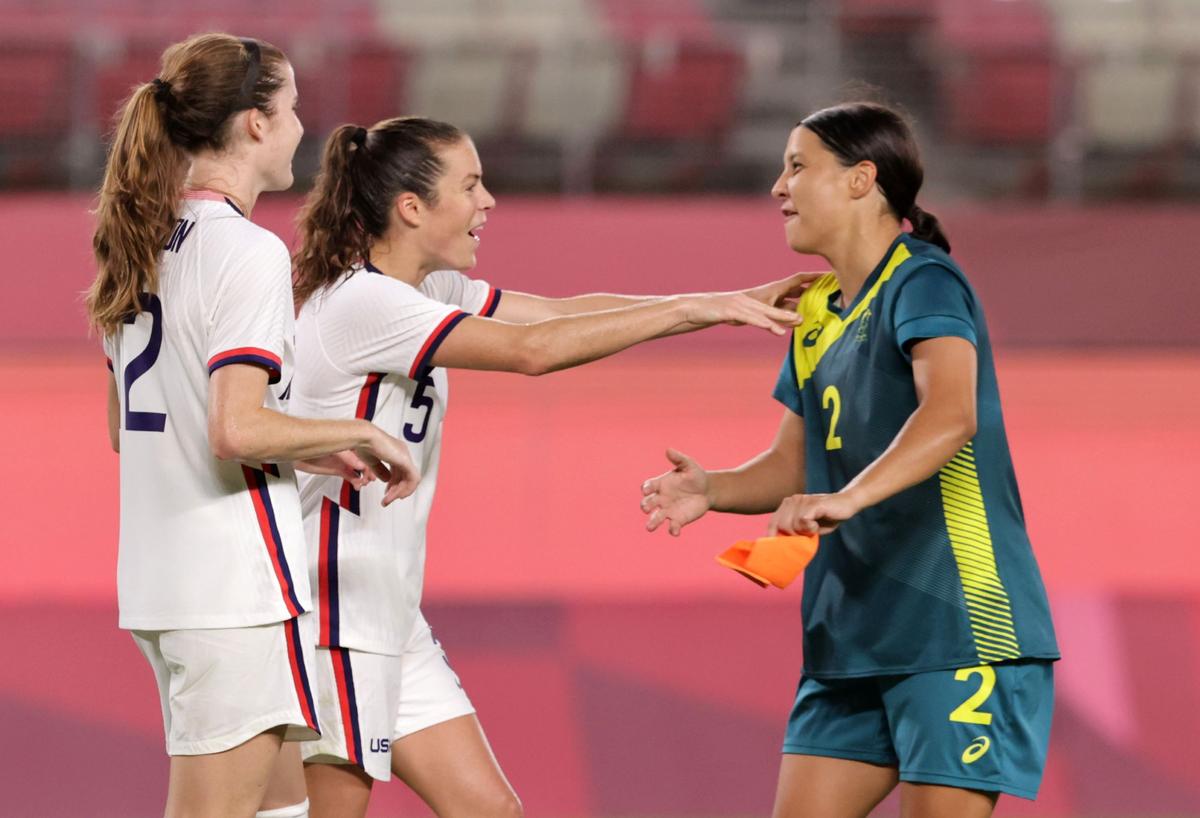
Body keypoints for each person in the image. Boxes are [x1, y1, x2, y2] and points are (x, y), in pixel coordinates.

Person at [284, 116, 811, 818]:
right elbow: (533, 354)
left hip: (386, 610)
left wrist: (722, 304)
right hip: (336, 609)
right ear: (411, 207)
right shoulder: (367, 303)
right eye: (470, 185)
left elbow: (551, 316)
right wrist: (696, 309)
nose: (488, 201)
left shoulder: (424, 289)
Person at [639, 102, 1059, 818]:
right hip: (851, 636)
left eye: (798, 166)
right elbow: (796, 466)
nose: (779, 187)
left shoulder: (926, 281)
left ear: (862, 180)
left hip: (958, 629)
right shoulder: (816, 314)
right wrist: (713, 487)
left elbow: (950, 414)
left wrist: (851, 498)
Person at [85, 34, 419, 818]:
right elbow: (233, 429)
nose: (304, 124)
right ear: (255, 125)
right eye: (293, 107)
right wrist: (363, 435)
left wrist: (313, 445)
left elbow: (124, 429)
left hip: (162, 582)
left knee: (280, 812)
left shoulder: (137, 242)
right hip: (231, 591)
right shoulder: (247, 251)